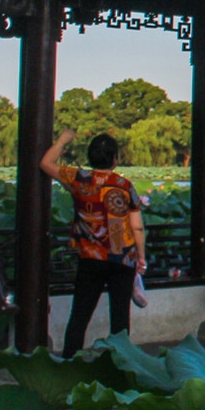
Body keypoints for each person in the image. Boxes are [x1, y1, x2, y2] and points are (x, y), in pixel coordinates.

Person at [42, 129, 144, 355]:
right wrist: (141, 256)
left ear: (90, 157)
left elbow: (46, 164)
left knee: (79, 315)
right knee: (120, 318)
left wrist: (62, 140)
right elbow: (137, 226)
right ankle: (120, 367)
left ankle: (69, 362)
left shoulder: (78, 179)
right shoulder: (124, 185)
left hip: (90, 257)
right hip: (123, 258)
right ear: (115, 159)